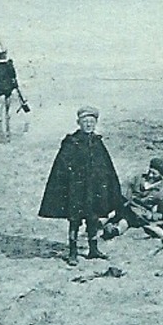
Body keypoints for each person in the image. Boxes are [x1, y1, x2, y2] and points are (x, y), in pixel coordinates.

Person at [38, 106, 125, 266]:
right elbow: (62, 165)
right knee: (75, 219)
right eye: (85, 122)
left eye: (92, 122)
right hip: (76, 190)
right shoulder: (72, 142)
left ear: (96, 123)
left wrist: (107, 185)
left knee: (93, 217)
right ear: (79, 123)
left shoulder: (97, 142)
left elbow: (106, 166)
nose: (89, 125)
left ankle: (93, 249)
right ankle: (72, 252)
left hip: (93, 189)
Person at [118, 158, 163, 238]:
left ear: (162, 175)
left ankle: (117, 229)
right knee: (122, 216)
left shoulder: (162, 191)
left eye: (154, 174)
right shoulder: (139, 178)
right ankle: (114, 230)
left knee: (127, 220)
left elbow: (162, 212)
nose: (150, 175)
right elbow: (125, 186)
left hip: (142, 214)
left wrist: (151, 216)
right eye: (150, 171)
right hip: (128, 206)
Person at [0, 48, 25, 135]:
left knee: (0, 98)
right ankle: (7, 114)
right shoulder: (8, 64)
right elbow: (13, 74)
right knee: (7, 97)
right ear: (5, 54)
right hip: (7, 84)